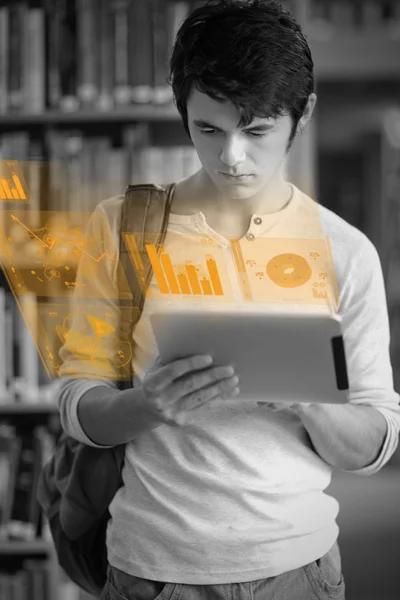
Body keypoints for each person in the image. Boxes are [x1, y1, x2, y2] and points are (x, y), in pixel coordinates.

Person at [57, 1, 400, 599]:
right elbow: (77, 403)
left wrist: (310, 401)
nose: (231, 157)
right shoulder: (122, 229)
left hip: (301, 571)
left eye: (258, 130)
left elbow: (375, 444)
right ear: (182, 112)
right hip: (153, 569)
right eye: (208, 129)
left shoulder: (346, 251)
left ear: (304, 114)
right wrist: (147, 405)